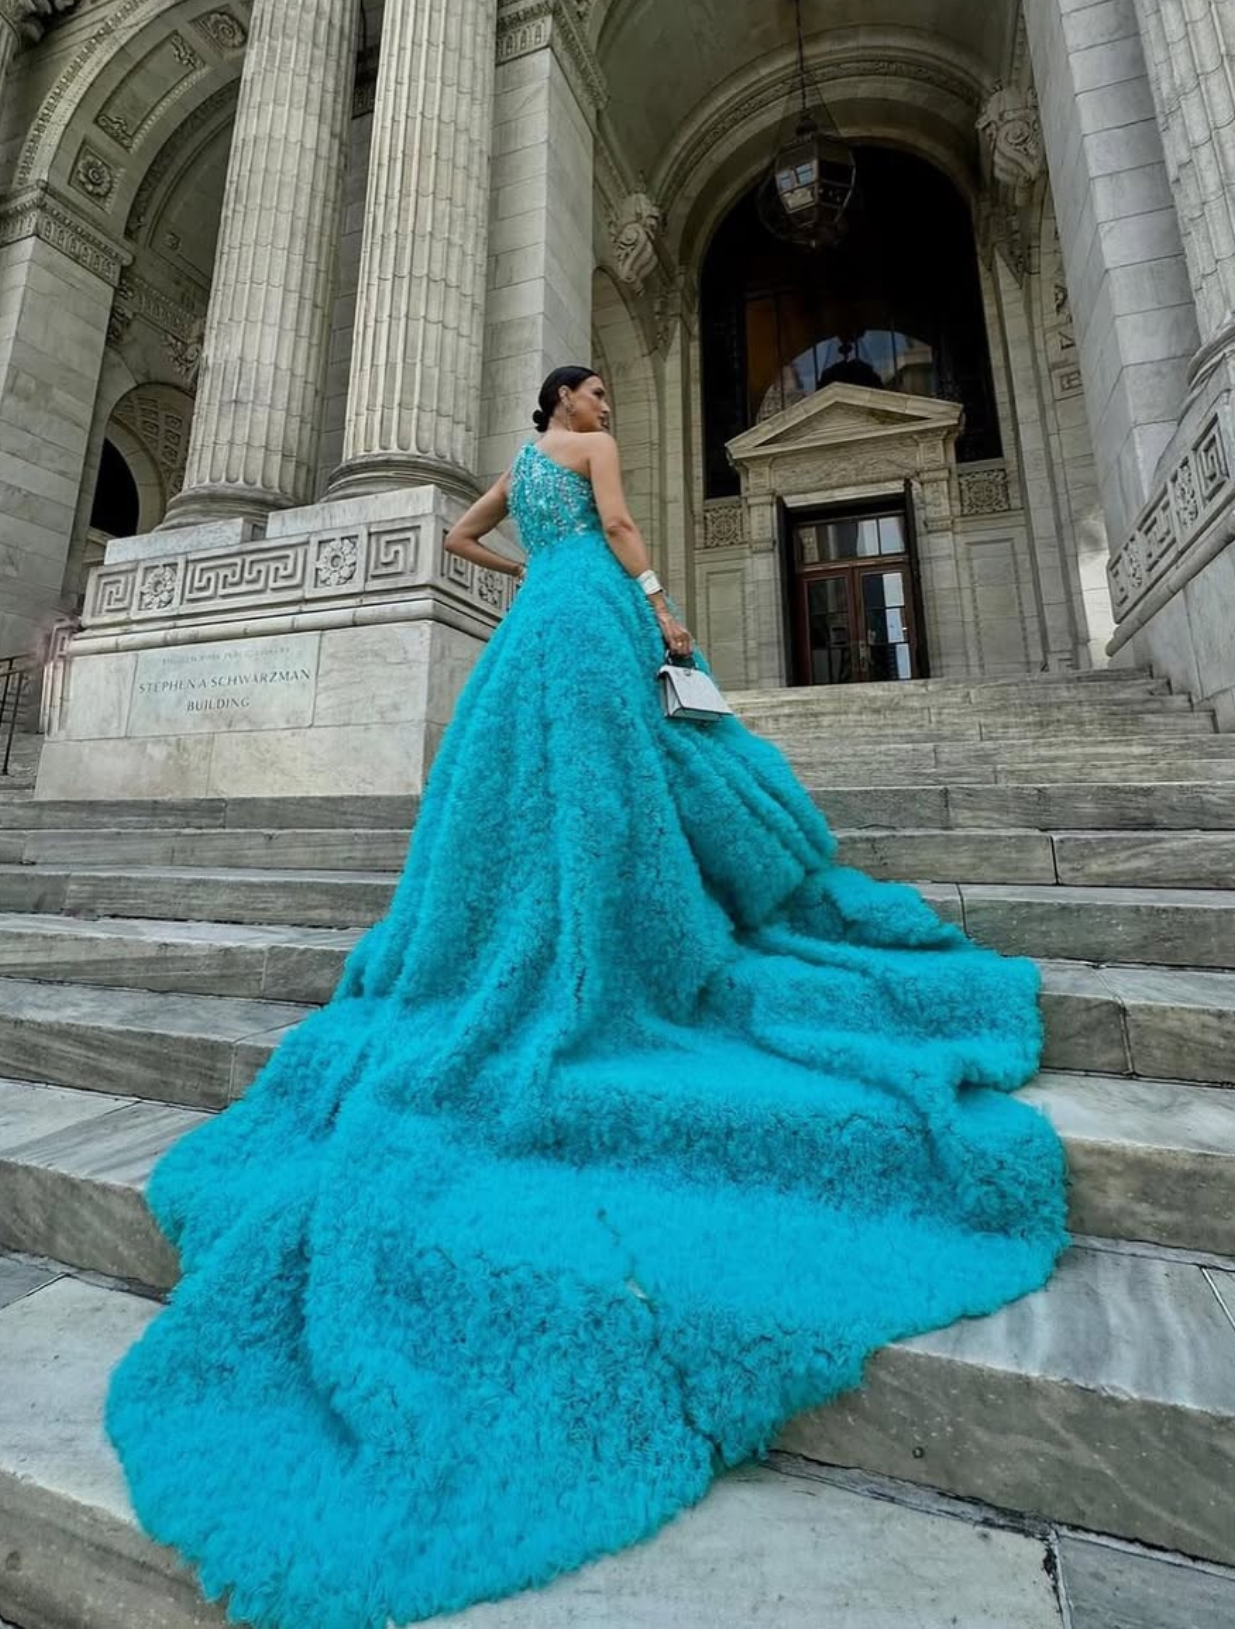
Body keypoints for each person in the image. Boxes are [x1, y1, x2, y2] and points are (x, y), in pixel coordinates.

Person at [106, 365, 1068, 1629]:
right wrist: (657, 605)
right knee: (621, 791)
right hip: (594, 616)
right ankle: (621, 942)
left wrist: (527, 576)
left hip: (528, 634)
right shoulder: (589, 458)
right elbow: (618, 530)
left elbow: (459, 535)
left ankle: (542, 943)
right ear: (572, 402)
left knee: (518, 812)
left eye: (612, 394)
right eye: (600, 392)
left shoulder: (520, 460)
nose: (610, 405)